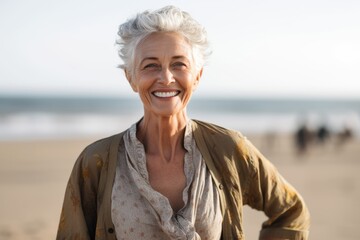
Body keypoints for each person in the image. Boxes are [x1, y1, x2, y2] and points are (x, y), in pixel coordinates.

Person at [57, 6, 310, 240]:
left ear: (197, 76)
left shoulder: (228, 150)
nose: (166, 78)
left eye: (179, 64)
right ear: (131, 77)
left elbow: (291, 212)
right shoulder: (96, 163)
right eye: (150, 66)